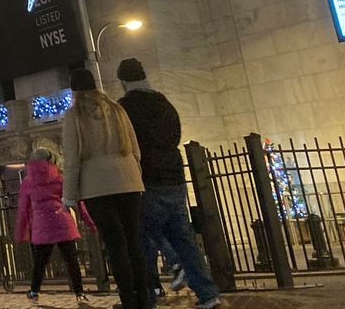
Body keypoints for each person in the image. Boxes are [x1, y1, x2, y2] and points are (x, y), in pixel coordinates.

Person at [117, 58, 222, 309]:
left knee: (143, 238)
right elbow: (175, 134)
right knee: (182, 235)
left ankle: (150, 294)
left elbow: (124, 142)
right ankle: (208, 294)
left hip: (146, 177)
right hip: (173, 175)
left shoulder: (124, 108)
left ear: (123, 81)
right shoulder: (164, 102)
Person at [61, 67, 152, 309]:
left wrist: (69, 197)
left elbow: (71, 160)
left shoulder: (74, 115)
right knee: (133, 242)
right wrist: (134, 175)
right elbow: (135, 148)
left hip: (97, 188)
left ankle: (128, 299)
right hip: (129, 182)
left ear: (74, 90)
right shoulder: (117, 109)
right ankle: (144, 298)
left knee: (115, 245)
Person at [15, 146, 97, 304]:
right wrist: (90, 223)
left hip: (42, 226)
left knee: (40, 262)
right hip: (62, 222)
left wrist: (20, 232)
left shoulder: (27, 182)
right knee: (71, 260)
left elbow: (23, 209)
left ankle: (34, 292)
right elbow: (77, 202)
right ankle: (79, 293)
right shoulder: (60, 177)